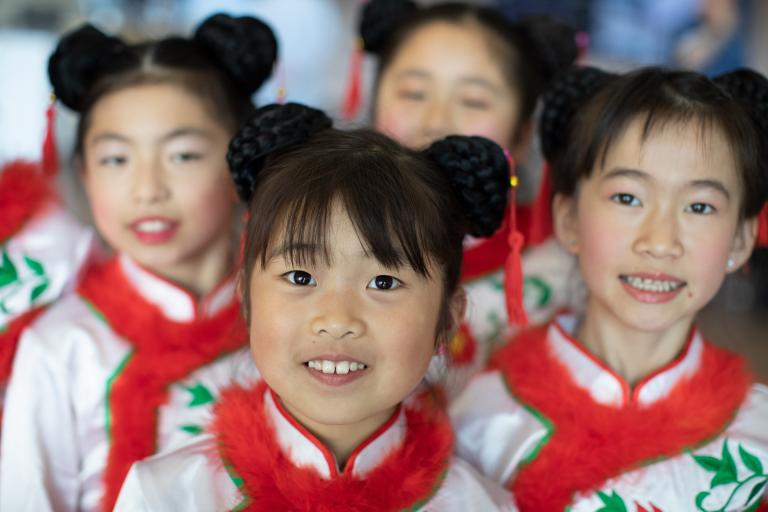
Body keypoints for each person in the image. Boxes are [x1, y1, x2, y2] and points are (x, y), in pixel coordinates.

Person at [114, 102, 517, 511]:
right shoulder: (166, 495)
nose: (337, 320)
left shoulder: (484, 506)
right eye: (301, 277)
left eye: (383, 282)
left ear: (448, 318)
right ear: (246, 295)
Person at [451, 66, 768, 510]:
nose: (660, 242)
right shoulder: (481, 420)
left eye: (699, 206)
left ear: (740, 239)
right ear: (568, 219)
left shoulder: (758, 434)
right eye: (627, 198)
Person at [0, 13, 277, 511]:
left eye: (183, 156)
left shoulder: (293, 323)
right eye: (116, 159)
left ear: (243, 165)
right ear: (84, 172)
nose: (147, 189)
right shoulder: (61, 346)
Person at [358, 0, 584, 393]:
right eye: (413, 93)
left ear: (522, 134)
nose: (437, 121)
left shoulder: (559, 264)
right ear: (374, 105)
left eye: (474, 101)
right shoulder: (320, 237)